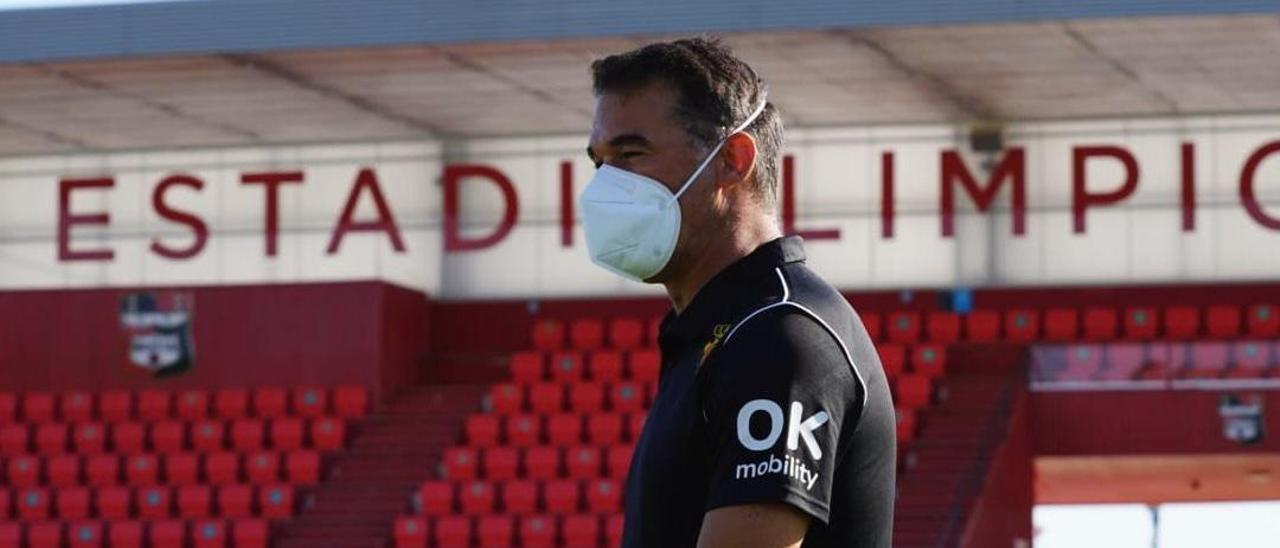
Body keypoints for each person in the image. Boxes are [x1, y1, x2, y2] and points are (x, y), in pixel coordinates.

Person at [578, 37, 896, 548]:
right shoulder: (718, 332)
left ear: (732, 160)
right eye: (599, 162)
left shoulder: (779, 338)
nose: (606, 186)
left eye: (632, 154)